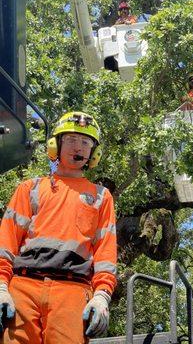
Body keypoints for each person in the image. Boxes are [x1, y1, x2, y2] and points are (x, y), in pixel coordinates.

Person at [0, 111, 117, 344]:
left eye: (86, 142)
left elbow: (105, 252)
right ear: (55, 145)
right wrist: (1, 286)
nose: (79, 147)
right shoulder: (30, 188)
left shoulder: (101, 197)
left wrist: (102, 295)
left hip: (72, 290)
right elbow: (6, 242)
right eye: (72, 139)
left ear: (94, 153)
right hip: (23, 286)